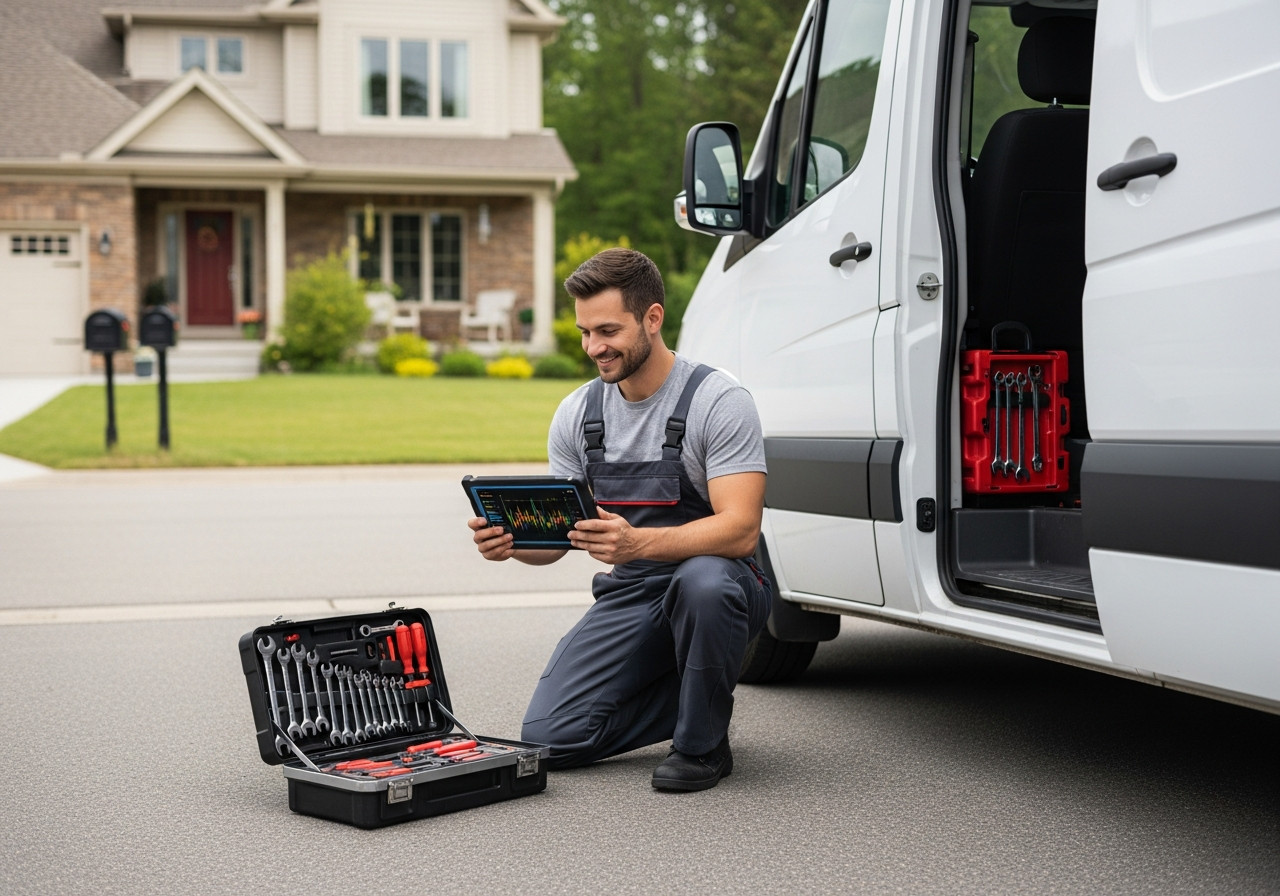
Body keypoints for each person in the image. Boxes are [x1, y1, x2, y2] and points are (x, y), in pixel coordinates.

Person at [467, 247, 771, 792]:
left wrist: (637, 544)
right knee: (550, 738)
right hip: (632, 593)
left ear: (652, 318)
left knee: (703, 582)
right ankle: (702, 690)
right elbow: (559, 540)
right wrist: (511, 544)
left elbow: (741, 529)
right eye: (585, 332)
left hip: (720, 584)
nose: (594, 347)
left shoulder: (719, 401)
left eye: (608, 330)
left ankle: (701, 745)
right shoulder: (578, 413)